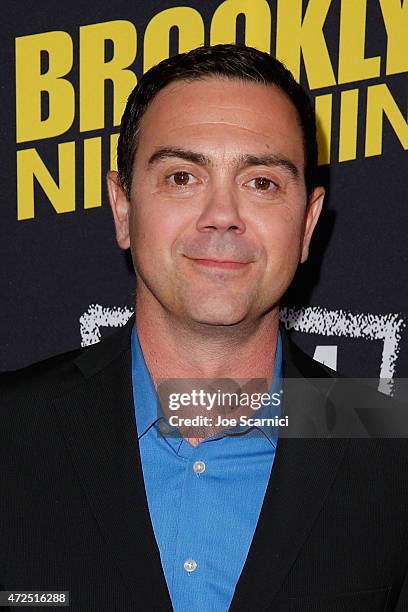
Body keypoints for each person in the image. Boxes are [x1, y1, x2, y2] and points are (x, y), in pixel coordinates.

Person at [1, 44, 407, 612]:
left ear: (308, 223)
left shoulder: (391, 450)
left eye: (262, 182)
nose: (223, 213)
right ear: (123, 207)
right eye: (183, 176)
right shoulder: (11, 431)